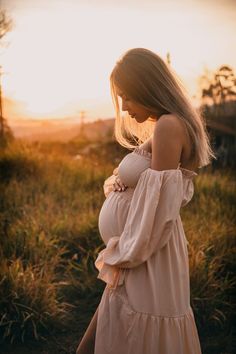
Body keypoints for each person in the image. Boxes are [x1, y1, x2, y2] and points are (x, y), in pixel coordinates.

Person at [76, 48, 216, 354]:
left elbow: (156, 209)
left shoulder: (169, 125)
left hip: (146, 252)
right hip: (141, 248)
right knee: (116, 323)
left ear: (146, 87)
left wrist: (124, 253)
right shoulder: (168, 125)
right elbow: (149, 196)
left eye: (127, 96)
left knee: (137, 333)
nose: (124, 108)